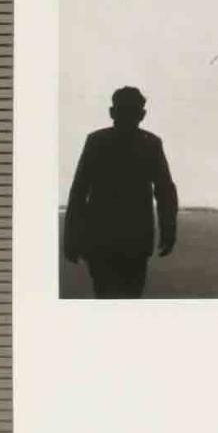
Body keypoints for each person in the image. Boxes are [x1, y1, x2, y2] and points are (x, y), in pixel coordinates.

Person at [63, 86, 178, 299]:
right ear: (142, 115)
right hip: (135, 238)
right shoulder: (151, 144)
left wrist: (71, 237)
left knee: (104, 295)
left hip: (101, 237)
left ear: (112, 112)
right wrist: (168, 229)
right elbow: (165, 191)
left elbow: (78, 191)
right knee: (130, 297)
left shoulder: (96, 141)